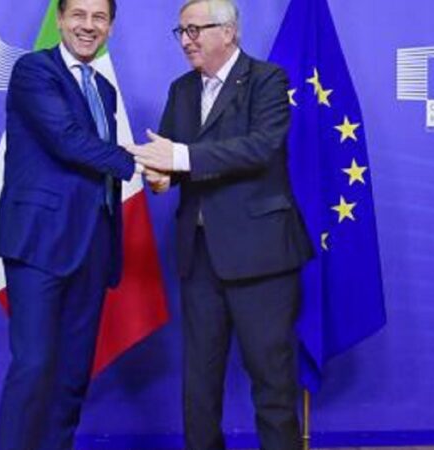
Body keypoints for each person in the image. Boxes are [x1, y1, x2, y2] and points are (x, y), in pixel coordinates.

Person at [128, 1, 314, 449]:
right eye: (181, 32)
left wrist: (180, 158)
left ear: (228, 32)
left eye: (194, 30)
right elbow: (172, 161)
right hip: (200, 256)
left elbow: (260, 148)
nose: (186, 40)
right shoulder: (181, 90)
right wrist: (161, 176)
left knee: (272, 383)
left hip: (262, 257)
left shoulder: (267, 80)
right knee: (199, 384)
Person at [0, 0, 136, 448]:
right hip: (38, 241)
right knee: (34, 365)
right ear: (59, 20)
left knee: (73, 374)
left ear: (111, 26)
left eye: (99, 17)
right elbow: (67, 140)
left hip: (93, 243)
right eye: (79, 15)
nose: (88, 26)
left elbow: (95, 163)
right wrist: (142, 162)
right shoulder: (34, 71)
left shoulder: (105, 90)